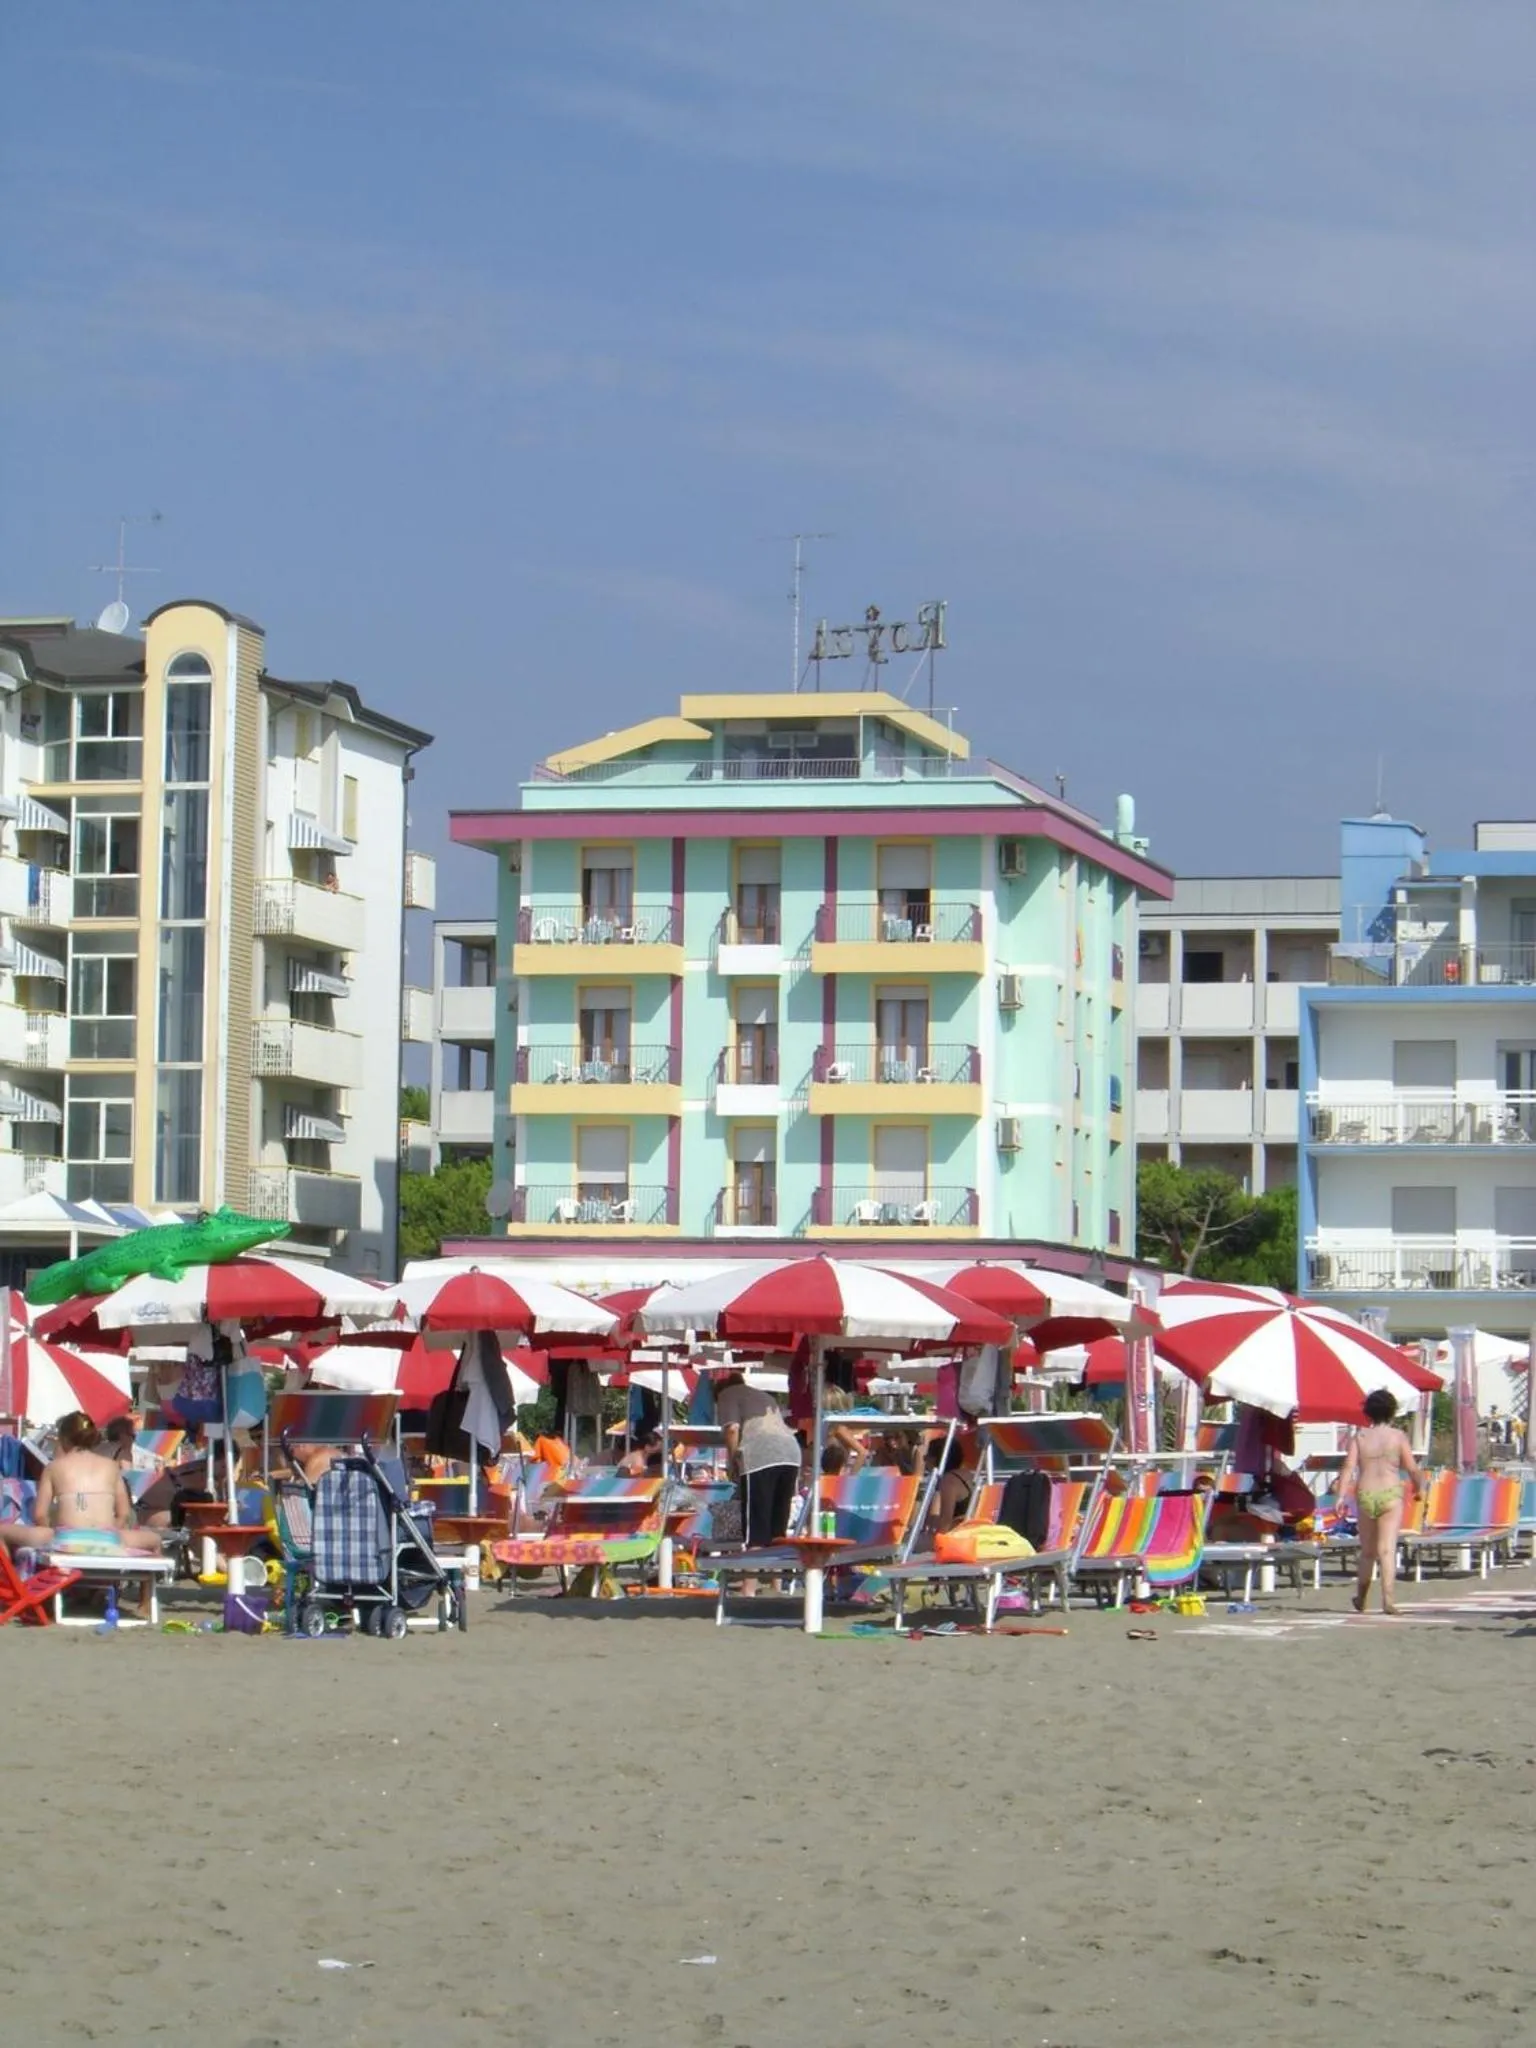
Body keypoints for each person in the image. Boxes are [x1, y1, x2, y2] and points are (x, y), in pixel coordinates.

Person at [1337, 1389, 1430, 1616]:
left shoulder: (1359, 1437)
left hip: (1366, 1493)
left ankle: (1361, 1597)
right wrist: (1421, 1488)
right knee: (1387, 1550)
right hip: (1390, 1493)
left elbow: (1348, 1468)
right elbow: (1412, 1468)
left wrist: (1340, 1496)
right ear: (1391, 1411)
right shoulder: (1398, 1437)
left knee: (1368, 1551)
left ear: (1368, 1412)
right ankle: (1388, 1600)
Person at [715, 1371, 801, 1549]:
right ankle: (775, 1576)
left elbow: (732, 1429)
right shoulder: (764, 1396)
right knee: (778, 1528)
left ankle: (751, 1577)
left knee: (756, 1530)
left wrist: (732, 1461)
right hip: (790, 1454)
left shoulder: (726, 1395)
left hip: (760, 1455)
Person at [925, 1436, 975, 1535]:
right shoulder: (966, 1473)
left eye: (927, 1457)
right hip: (971, 1528)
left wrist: (936, 1542)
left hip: (960, 1534)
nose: (925, 1460)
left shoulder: (948, 1481)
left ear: (936, 1458)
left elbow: (946, 1520)